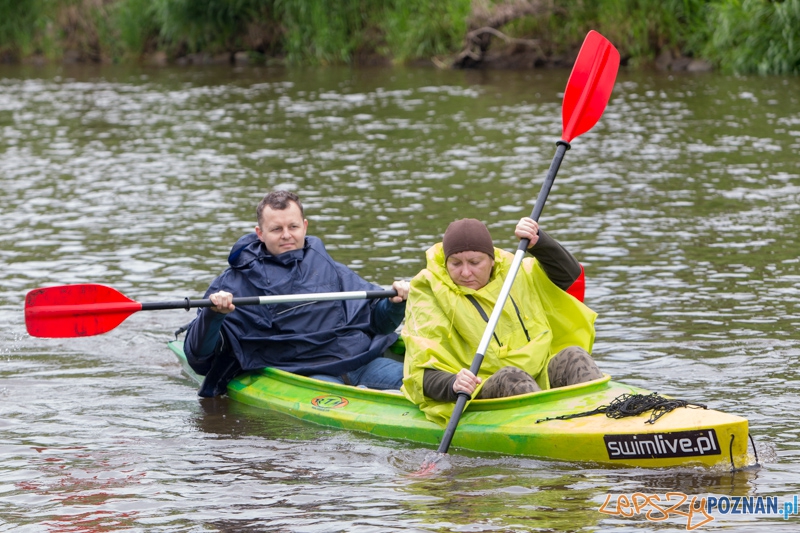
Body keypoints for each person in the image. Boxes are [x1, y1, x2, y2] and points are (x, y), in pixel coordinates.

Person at [183, 190, 409, 397]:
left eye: (293, 227)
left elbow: (380, 324)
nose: (286, 235)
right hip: (307, 376)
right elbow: (199, 357)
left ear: (305, 226)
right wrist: (213, 314)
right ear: (259, 233)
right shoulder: (234, 282)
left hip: (363, 362)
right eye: (276, 229)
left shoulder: (329, 266)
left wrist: (395, 303)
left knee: (423, 381)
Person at [401, 217, 601, 425]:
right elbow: (419, 373)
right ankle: (551, 433)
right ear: (445, 263)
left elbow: (570, 276)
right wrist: (452, 383)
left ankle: (603, 422)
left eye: (475, 262)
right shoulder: (428, 292)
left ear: (492, 260)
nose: (466, 272)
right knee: (512, 377)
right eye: (456, 263)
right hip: (479, 390)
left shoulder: (516, 271)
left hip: (538, 376)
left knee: (574, 355)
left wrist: (539, 242)